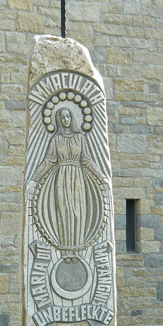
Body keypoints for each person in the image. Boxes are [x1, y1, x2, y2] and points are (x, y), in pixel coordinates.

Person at [32, 107, 105, 252]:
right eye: (62, 118)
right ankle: (65, 248)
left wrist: (102, 178)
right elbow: (49, 160)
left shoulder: (80, 138)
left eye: (68, 117)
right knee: (64, 211)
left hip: (77, 177)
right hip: (62, 177)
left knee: (79, 212)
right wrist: (34, 179)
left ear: (72, 118)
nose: (65, 120)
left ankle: (78, 248)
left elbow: (87, 160)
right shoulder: (56, 139)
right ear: (58, 120)